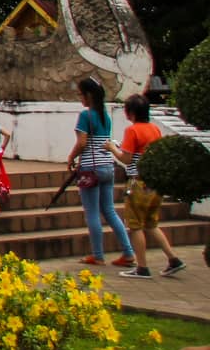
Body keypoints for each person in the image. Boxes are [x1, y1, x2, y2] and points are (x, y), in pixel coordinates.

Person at [107, 93, 187, 279]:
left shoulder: (132, 130)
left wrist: (112, 148)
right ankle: (173, 258)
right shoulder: (154, 129)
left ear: (131, 113)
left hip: (137, 182)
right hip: (154, 183)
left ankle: (142, 267)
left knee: (135, 226)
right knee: (151, 223)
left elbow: (126, 159)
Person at [66, 76, 135, 267]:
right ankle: (128, 252)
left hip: (90, 168)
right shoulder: (104, 115)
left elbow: (82, 143)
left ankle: (97, 254)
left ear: (88, 95)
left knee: (92, 213)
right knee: (110, 210)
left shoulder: (86, 115)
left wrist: (71, 157)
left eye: (80, 94)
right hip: (107, 166)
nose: (80, 98)